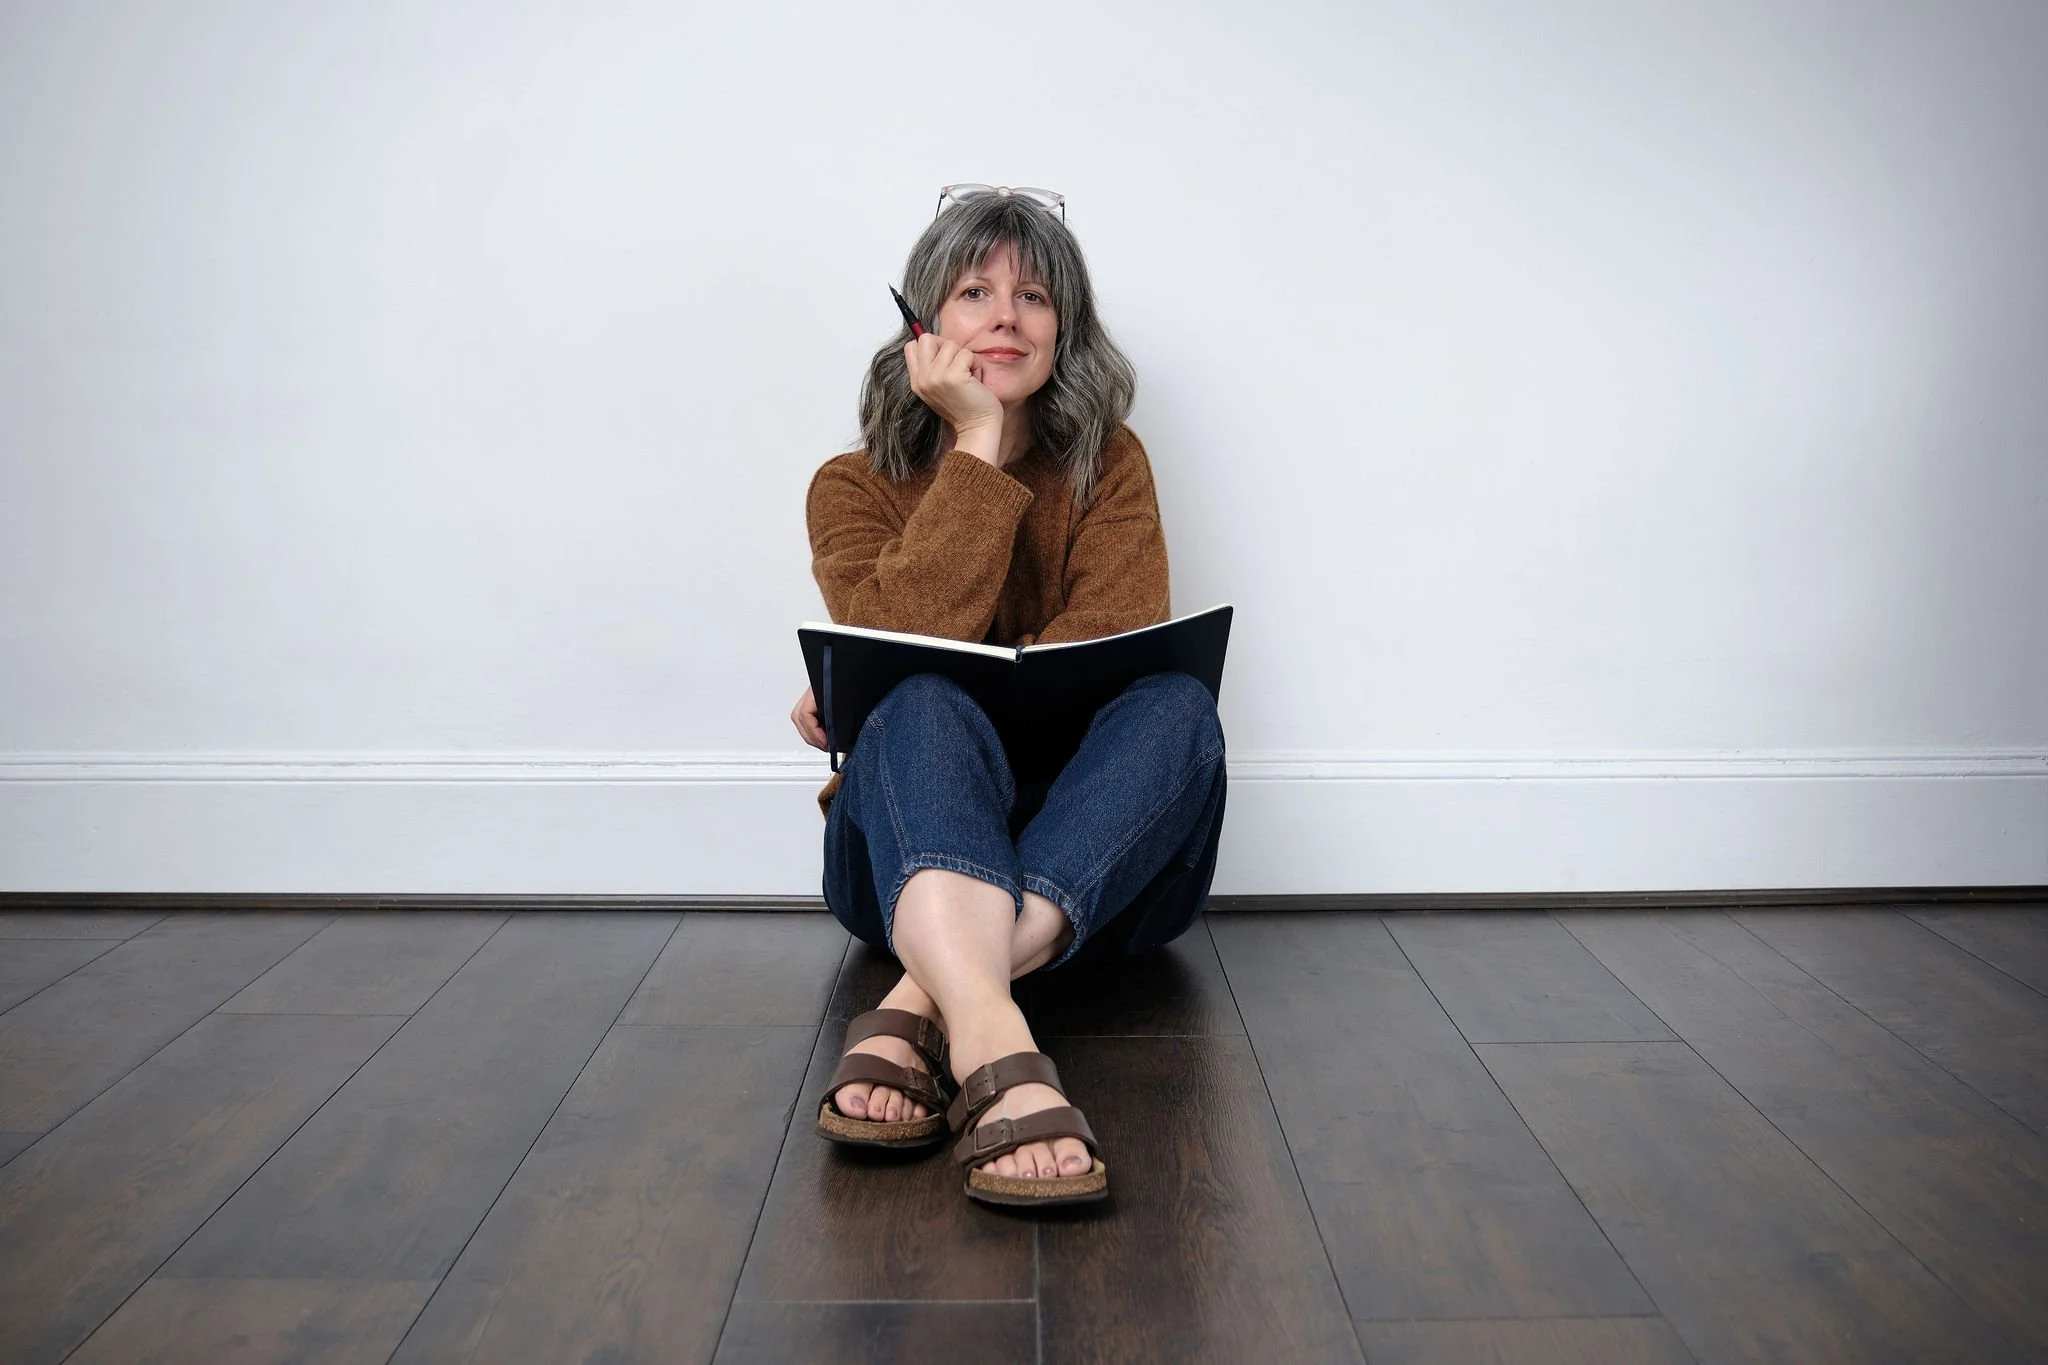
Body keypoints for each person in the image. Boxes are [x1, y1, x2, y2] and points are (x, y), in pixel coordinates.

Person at [789, 185, 1227, 1208]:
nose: (1005, 318)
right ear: (923, 325)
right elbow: (905, 644)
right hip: (901, 859)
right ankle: (995, 1037)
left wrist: (868, 686)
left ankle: (926, 997)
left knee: (1175, 705)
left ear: (1064, 329)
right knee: (918, 698)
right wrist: (977, 441)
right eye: (974, 292)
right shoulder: (848, 486)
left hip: (1101, 863)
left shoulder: (1109, 464)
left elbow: (1114, 639)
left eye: (1033, 296)